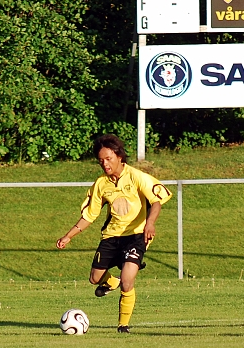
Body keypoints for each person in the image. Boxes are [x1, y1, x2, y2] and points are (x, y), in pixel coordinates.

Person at [56, 134, 172, 333]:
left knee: (128, 280)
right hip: (111, 237)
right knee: (95, 278)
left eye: (108, 158)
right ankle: (112, 282)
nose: (105, 164)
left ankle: (123, 325)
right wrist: (69, 235)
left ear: (119, 156)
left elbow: (156, 201)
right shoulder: (101, 184)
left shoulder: (136, 176)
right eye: (101, 160)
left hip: (136, 235)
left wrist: (150, 223)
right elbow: (89, 215)